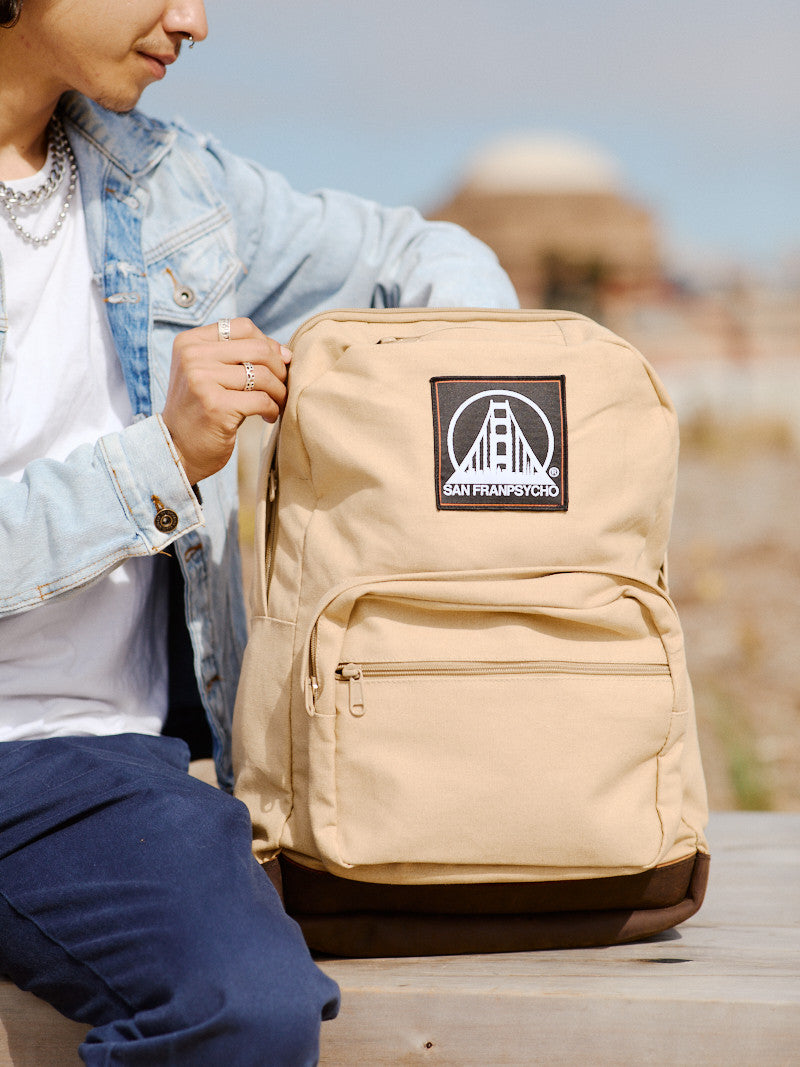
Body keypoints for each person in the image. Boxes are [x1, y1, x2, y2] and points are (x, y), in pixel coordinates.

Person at [0, 1, 517, 1063]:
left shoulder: (169, 186)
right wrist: (160, 460)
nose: (193, 19)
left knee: (246, 1002)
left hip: (86, 775)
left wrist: (480, 447)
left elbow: (416, 256)